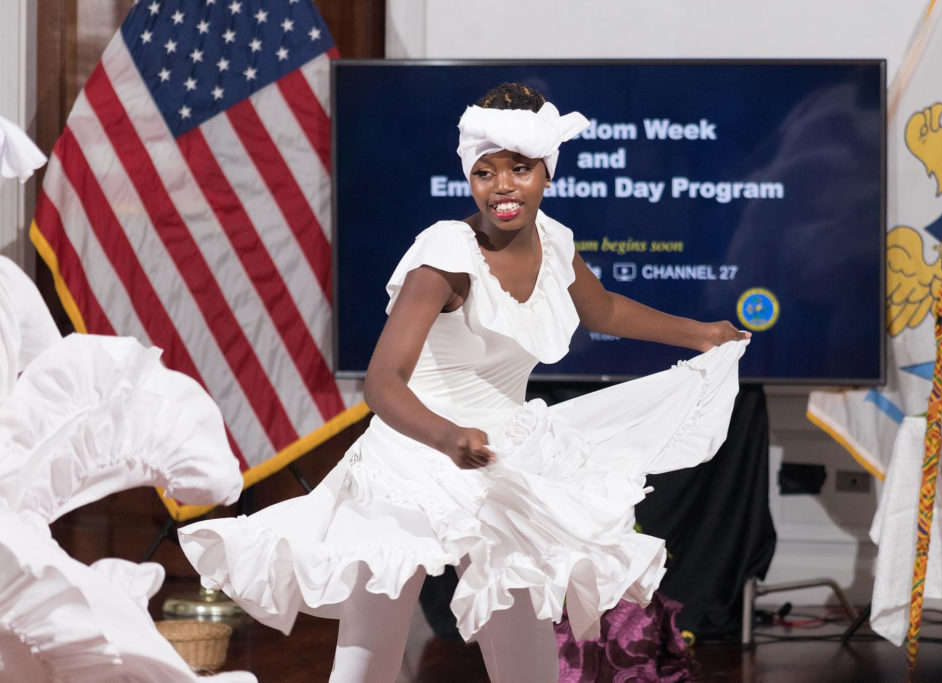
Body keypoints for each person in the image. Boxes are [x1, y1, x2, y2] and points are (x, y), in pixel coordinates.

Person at [179, 82, 750, 683]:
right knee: (371, 651)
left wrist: (702, 333)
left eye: (520, 169)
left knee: (526, 650)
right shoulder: (446, 251)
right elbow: (383, 384)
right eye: (485, 171)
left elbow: (603, 309)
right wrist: (448, 438)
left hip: (505, 458)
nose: (503, 185)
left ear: (547, 173)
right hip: (412, 455)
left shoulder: (555, 242)